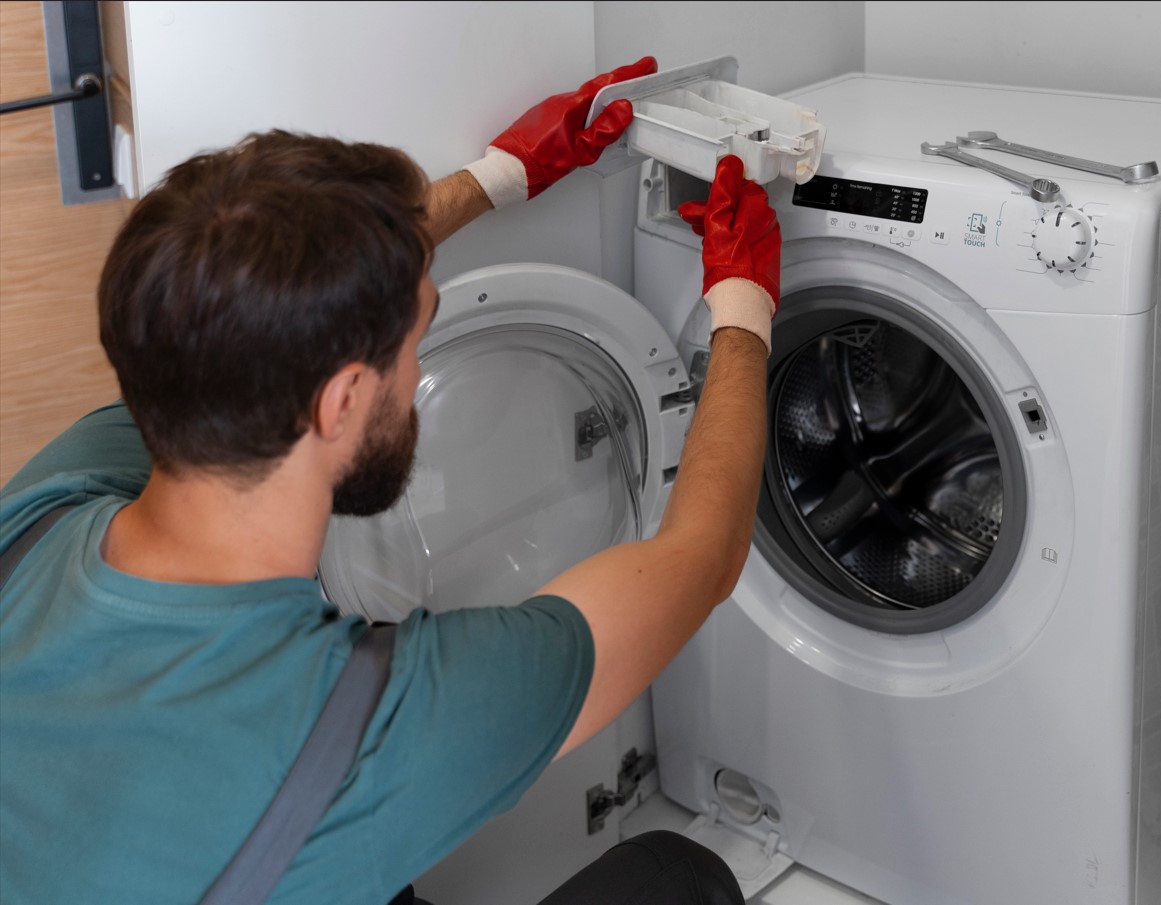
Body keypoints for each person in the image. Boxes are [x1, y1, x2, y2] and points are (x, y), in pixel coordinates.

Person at [0, 57, 781, 905]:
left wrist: (499, 177)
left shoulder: (44, 511)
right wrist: (744, 307)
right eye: (415, 341)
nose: (416, 377)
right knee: (679, 878)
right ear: (340, 400)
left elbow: (239, 312)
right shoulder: (368, 724)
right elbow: (704, 554)